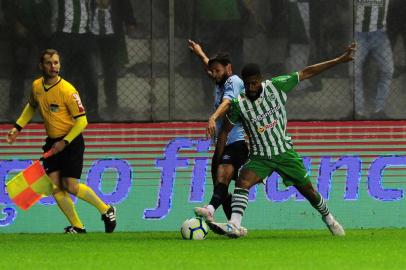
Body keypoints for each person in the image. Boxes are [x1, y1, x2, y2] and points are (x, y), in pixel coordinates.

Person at [209, 43, 356, 238]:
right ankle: (234, 225)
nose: (251, 88)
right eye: (247, 84)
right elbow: (225, 131)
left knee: (308, 191)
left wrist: (338, 60)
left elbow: (307, 72)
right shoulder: (239, 104)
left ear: (260, 80)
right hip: (261, 157)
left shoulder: (276, 86)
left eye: (254, 83)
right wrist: (218, 157)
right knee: (243, 181)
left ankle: (328, 217)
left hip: (284, 153)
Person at [6, 49, 116, 234]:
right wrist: (17, 127)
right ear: (41, 66)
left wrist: (64, 142)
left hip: (71, 142)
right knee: (56, 187)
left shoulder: (68, 90)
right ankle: (78, 227)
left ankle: (106, 210)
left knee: (70, 186)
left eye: (56, 63)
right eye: (49, 63)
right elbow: (31, 106)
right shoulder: (36, 86)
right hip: (52, 143)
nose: (53, 67)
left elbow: (82, 121)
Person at [188, 40, 249, 232]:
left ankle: (210, 209)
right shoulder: (220, 80)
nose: (214, 75)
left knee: (222, 178)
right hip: (222, 145)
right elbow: (210, 65)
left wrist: (213, 117)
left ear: (228, 68)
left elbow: (228, 102)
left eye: (217, 71)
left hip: (237, 143)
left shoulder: (234, 82)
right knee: (219, 186)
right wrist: (200, 53)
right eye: (212, 71)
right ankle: (235, 225)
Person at [89, 0, 136, 115]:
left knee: (110, 70)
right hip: (90, 34)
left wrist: (130, 22)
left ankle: (112, 104)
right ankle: (90, 105)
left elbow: (125, 5)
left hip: (111, 34)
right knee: (89, 69)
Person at [354, 0, 393, 120]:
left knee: (388, 70)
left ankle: (378, 110)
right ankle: (358, 112)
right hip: (358, 34)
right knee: (354, 72)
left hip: (379, 34)